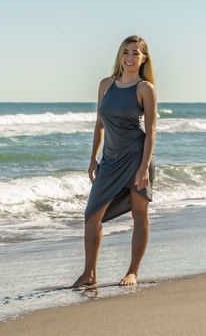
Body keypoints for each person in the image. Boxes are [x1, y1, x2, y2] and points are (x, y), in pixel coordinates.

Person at [73, 35, 157, 288]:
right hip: (110, 159)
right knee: (91, 217)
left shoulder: (145, 89)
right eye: (126, 52)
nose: (130, 58)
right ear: (120, 56)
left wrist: (144, 166)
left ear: (143, 59)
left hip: (136, 157)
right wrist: (93, 158)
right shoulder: (106, 85)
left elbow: (151, 130)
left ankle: (133, 271)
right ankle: (89, 273)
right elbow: (99, 124)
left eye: (135, 53)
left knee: (140, 214)